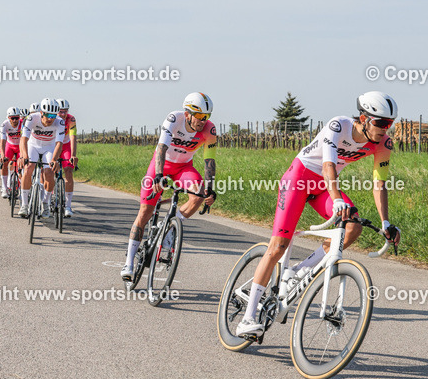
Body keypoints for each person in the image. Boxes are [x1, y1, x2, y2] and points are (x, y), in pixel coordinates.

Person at [234, 91, 402, 339]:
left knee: (352, 227)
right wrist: (336, 199)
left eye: (390, 124)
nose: (385, 129)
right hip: (299, 179)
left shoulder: (383, 144)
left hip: (323, 186)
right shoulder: (339, 125)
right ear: (364, 118)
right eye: (380, 123)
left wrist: (386, 222)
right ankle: (247, 319)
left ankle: (301, 272)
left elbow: (379, 184)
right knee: (279, 245)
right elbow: (328, 165)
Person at [120, 93, 218, 280]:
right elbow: (162, 148)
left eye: (207, 117)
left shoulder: (209, 130)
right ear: (188, 113)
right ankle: (129, 262)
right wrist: (158, 176)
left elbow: (209, 161)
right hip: (162, 164)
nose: (203, 121)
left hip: (184, 168)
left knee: (198, 195)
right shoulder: (174, 119)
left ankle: (170, 228)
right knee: (145, 212)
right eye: (200, 117)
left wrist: (210, 189)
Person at [17, 98, 67, 218]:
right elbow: (24, 139)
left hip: (49, 147)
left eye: (53, 115)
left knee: (49, 172)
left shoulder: (59, 122)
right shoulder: (32, 118)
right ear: (41, 113)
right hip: (33, 145)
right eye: (48, 115)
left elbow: (59, 144)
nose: (50, 118)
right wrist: (23, 156)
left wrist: (54, 160)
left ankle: (45, 202)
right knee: (28, 168)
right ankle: (24, 205)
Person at [57, 98, 78, 217]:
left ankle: (68, 206)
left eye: (65, 111)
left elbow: (73, 137)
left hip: (65, 146)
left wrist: (73, 155)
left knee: (69, 171)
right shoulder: (52, 119)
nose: (63, 114)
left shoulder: (71, 119)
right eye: (60, 111)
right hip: (53, 145)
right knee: (47, 170)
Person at [0, 107, 23, 199]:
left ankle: (21, 189)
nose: (14, 120)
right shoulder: (4, 125)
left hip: (20, 147)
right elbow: (2, 141)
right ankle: (4, 188)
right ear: (8, 118)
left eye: (16, 118)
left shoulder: (23, 124)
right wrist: (2, 155)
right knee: (4, 163)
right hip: (10, 146)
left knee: (21, 167)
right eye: (12, 118)